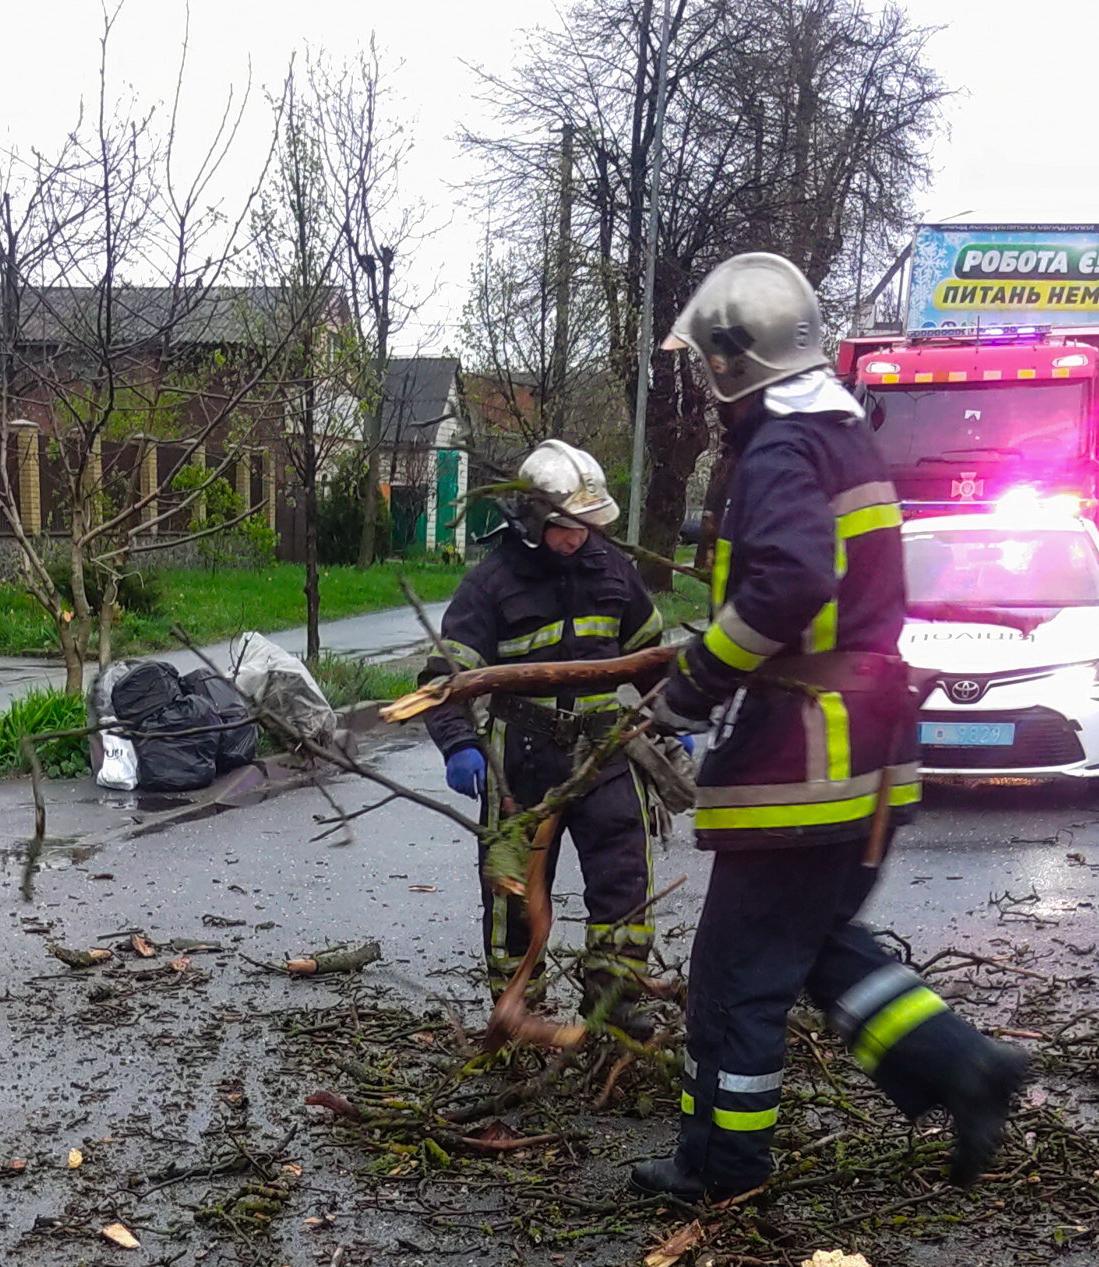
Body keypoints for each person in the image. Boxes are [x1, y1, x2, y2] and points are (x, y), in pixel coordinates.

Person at [630, 252, 1027, 1204]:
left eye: (704, 364)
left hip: (804, 758)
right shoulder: (841, 434)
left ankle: (720, 1167)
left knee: (732, 981)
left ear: (731, 359)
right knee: (810, 948)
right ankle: (964, 1066)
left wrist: (685, 692)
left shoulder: (777, 448)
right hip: (870, 757)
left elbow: (790, 584)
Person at [421, 440, 666, 1029]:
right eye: (563, 526)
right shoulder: (492, 583)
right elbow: (444, 677)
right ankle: (516, 1013)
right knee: (513, 898)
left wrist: (672, 722)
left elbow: (653, 659)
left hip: (605, 750)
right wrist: (459, 744)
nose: (575, 537)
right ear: (532, 520)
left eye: (584, 525)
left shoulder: (614, 571)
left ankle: (615, 1006)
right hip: (521, 759)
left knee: (624, 879)